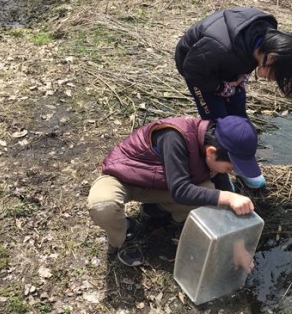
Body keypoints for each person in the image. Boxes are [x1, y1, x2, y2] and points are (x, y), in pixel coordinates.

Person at [87, 115, 259, 268]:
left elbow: (223, 200)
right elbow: (181, 190)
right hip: (123, 179)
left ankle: (156, 209)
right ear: (211, 152)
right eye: (229, 167)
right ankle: (125, 235)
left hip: (161, 184)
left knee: (208, 191)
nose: (229, 172)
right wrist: (228, 197)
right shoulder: (174, 136)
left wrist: (238, 247)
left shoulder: (213, 150)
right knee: (103, 206)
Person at [174, 6, 292, 188]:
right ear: (271, 58)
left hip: (225, 64)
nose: (272, 81)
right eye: (276, 76)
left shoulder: (264, 38)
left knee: (240, 119)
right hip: (198, 70)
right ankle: (219, 171)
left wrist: (241, 77)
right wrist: (220, 87)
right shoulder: (220, 47)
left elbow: (245, 58)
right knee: (217, 122)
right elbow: (192, 70)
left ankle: (242, 165)